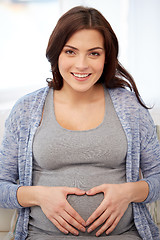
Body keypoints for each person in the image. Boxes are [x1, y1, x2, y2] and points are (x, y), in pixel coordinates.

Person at [0, 5, 160, 240]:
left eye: (94, 53)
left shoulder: (129, 107)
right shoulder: (26, 110)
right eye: (71, 52)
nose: (82, 65)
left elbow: (157, 177)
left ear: (106, 57)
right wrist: (39, 195)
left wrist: (128, 192)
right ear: (56, 54)